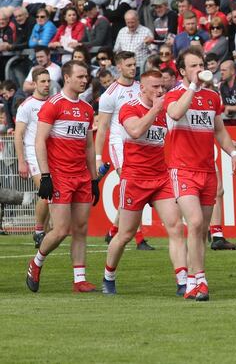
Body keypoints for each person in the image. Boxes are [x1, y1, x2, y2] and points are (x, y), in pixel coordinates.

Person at [165, 46, 236, 301]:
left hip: (207, 170)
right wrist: (193, 87)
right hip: (183, 169)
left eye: (201, 64)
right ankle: (200, 280)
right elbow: (176, 113)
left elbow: (219, 130)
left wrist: (233, 154)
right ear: (182, 71)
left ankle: (193, 280)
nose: (200, 69)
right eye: (194, 66)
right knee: (196, 222)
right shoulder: (174, 94)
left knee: (200, 230)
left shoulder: (213, 97)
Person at [102, 70, 188, 296]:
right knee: (125, 235)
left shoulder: (164, 109)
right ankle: (108, 275)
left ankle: (182, 280)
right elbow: (136, 130)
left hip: (161, 178)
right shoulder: (129, 108)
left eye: (162, 87)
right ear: (142, 88)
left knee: (176, 227)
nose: (160, 91)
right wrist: (155, 109)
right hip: (135, 179)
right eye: (155, 87)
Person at [26, 61, 100, 293]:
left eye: (86, 76)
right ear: (67, 78)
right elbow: (39, 141)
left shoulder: (87, 109)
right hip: (60, 175)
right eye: (79, 76)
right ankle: (36, 262)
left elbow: (88, 146)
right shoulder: (53, 105)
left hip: (81, 176)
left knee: (80, 228)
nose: (84, 80)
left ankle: (80, 279)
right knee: (60, 230)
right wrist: (45, 175)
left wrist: (94, 178)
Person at [96, 52, 153, 251]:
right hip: (119, 144)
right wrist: (97, 157)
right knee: (132, 187)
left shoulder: (140, 88)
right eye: (128, 65)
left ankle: (113, 230)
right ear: (118, 67)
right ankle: (139, 238)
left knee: (131, 189)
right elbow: (102, 127)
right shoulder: (110, 94)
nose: (133, 68)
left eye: (134, 64)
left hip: (138, 144)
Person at [14, 68, 50, 249]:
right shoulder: (26, 106)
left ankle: (45, 232)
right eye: (43, 81)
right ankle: (38, 230)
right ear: (34, 84)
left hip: (50, 155)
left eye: (48, 81)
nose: (46, 85)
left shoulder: (53, 103)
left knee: (53, 195)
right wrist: (22, 161)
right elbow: (18, 134)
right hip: (33, 155)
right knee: (46, 192)